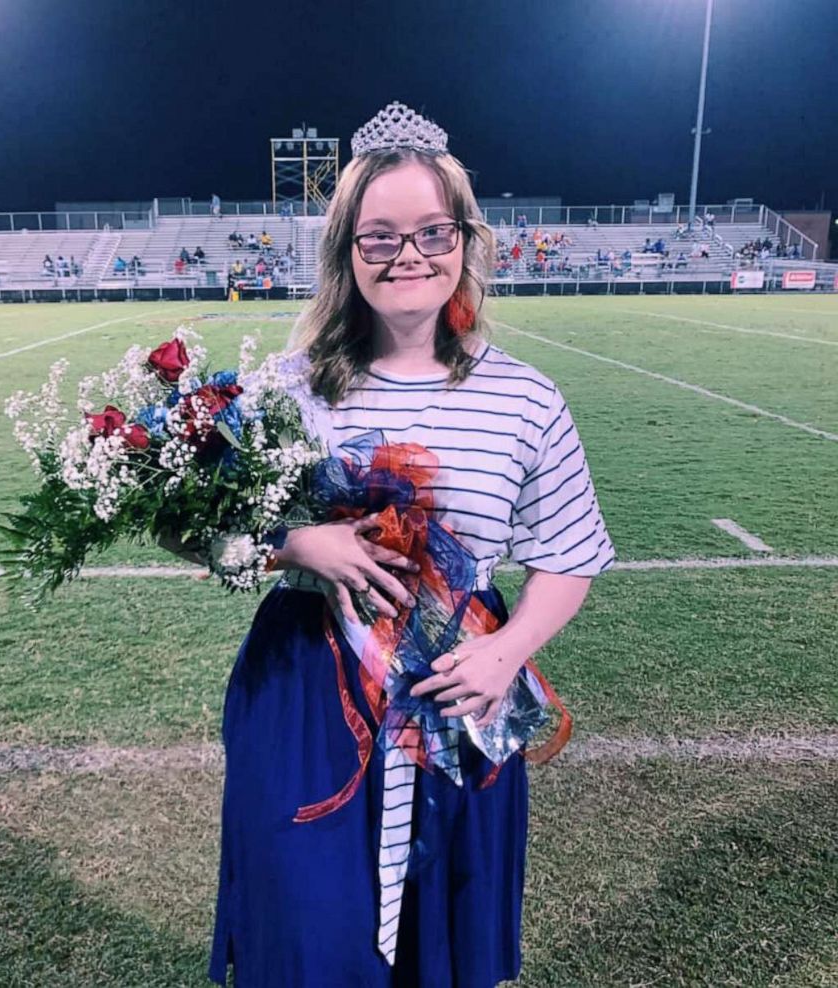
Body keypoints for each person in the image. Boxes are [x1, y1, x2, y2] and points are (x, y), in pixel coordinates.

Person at [159, 101, 614, 988]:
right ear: (346, 252)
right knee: (308, 934)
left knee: (440, 941)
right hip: (305, 703)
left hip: (457, 692)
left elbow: (569, 554)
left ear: (464, 240)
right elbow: (186, 526)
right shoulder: (285, 389)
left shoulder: (526, 398)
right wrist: (297, 544)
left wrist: (506, 653)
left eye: (431, 230)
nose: (408, 255)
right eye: (379, 236)